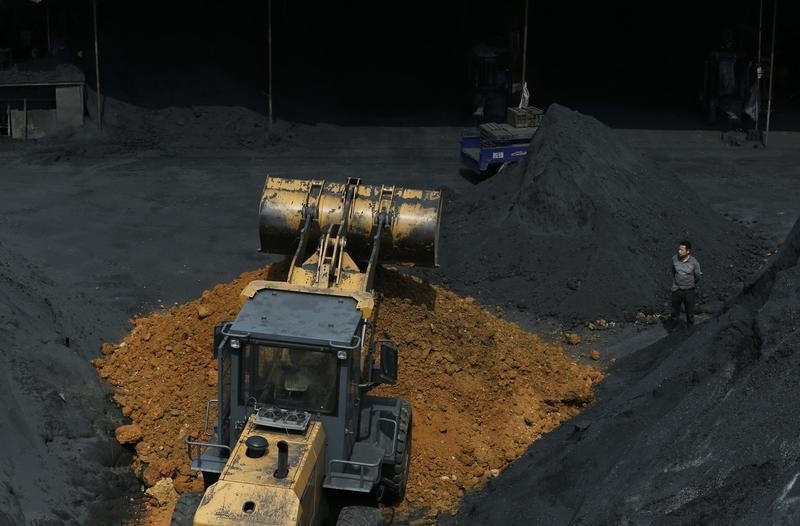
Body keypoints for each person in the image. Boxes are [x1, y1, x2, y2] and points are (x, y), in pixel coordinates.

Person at [671, 240, 702, 327]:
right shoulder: (674, 259)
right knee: (675, 311)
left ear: (688, 251)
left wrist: (691, 283)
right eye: (679, 249)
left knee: (690, 312)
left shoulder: (694, 262)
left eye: (682, 250)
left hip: (689, 291)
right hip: (677, 289)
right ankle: (675, 329)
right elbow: (673, 271)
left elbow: (698, 276)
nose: (679, 251)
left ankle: (690, 330)